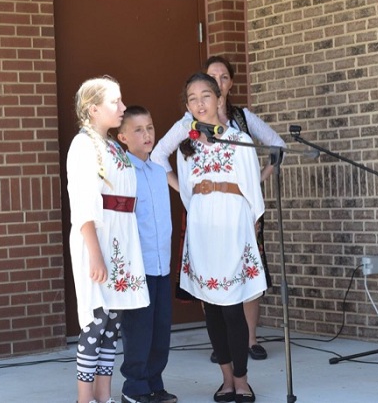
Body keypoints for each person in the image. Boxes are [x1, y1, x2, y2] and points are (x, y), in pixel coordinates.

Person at [150, 56, 285, 362]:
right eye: (193, 98)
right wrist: (187, 191)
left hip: (236, 215)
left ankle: (247, 347)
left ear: (223, 91)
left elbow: (274, 151)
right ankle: (222, 352)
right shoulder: (187, 130)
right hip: (204, 216)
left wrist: (255, 183)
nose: (201, 102)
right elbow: (159, 156)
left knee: (240, 285)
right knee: (211, 286)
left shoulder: (240, 126)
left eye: (221, 80)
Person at [176, 72, 266, 403]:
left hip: (233, 228)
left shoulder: (239, 140)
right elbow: (187, 194)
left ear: (218, 99)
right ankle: (226, 380)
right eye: (192, 98)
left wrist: (251, 229)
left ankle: (242, 380)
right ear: (187, 106)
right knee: (211, 308)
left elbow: (253, 192)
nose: (200, 103)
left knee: (232, 308)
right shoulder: (186, 147)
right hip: (202, 230)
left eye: (206, 96)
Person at [66, 76, 150, 403]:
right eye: (115, 101)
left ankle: (104, 397)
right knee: (96, 322)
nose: (122, 107)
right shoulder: (83, 145)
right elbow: (83, 203)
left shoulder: (113, 145)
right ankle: (84, 399)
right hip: (99, 240)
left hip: (120, 239)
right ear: (93, 108)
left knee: (113, 323)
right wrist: (95, 254)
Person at [116, 106, 177, 403]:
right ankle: (135, 387)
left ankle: (155, 382)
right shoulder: (122, 173)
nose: (147, 134)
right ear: (123, 137)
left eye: (150, 127)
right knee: (138, 328)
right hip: (137, 266)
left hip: (161, 264)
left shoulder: (158, 172)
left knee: (160, 328)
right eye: (138, 130)